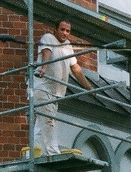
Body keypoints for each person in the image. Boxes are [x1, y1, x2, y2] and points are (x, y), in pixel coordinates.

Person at [31, 20, 93, 156]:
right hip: (43, 88)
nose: (65, 33)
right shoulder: (49, 38)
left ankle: (35, 151)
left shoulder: (67, 46)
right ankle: (53, 152)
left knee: (42, 124)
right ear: (55, 29)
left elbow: (75, 68)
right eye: (62, 29)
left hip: (56, 93)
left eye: (68, 31)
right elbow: (46, 53)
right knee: (48, 121)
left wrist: (89, 88)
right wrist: (43, 68)